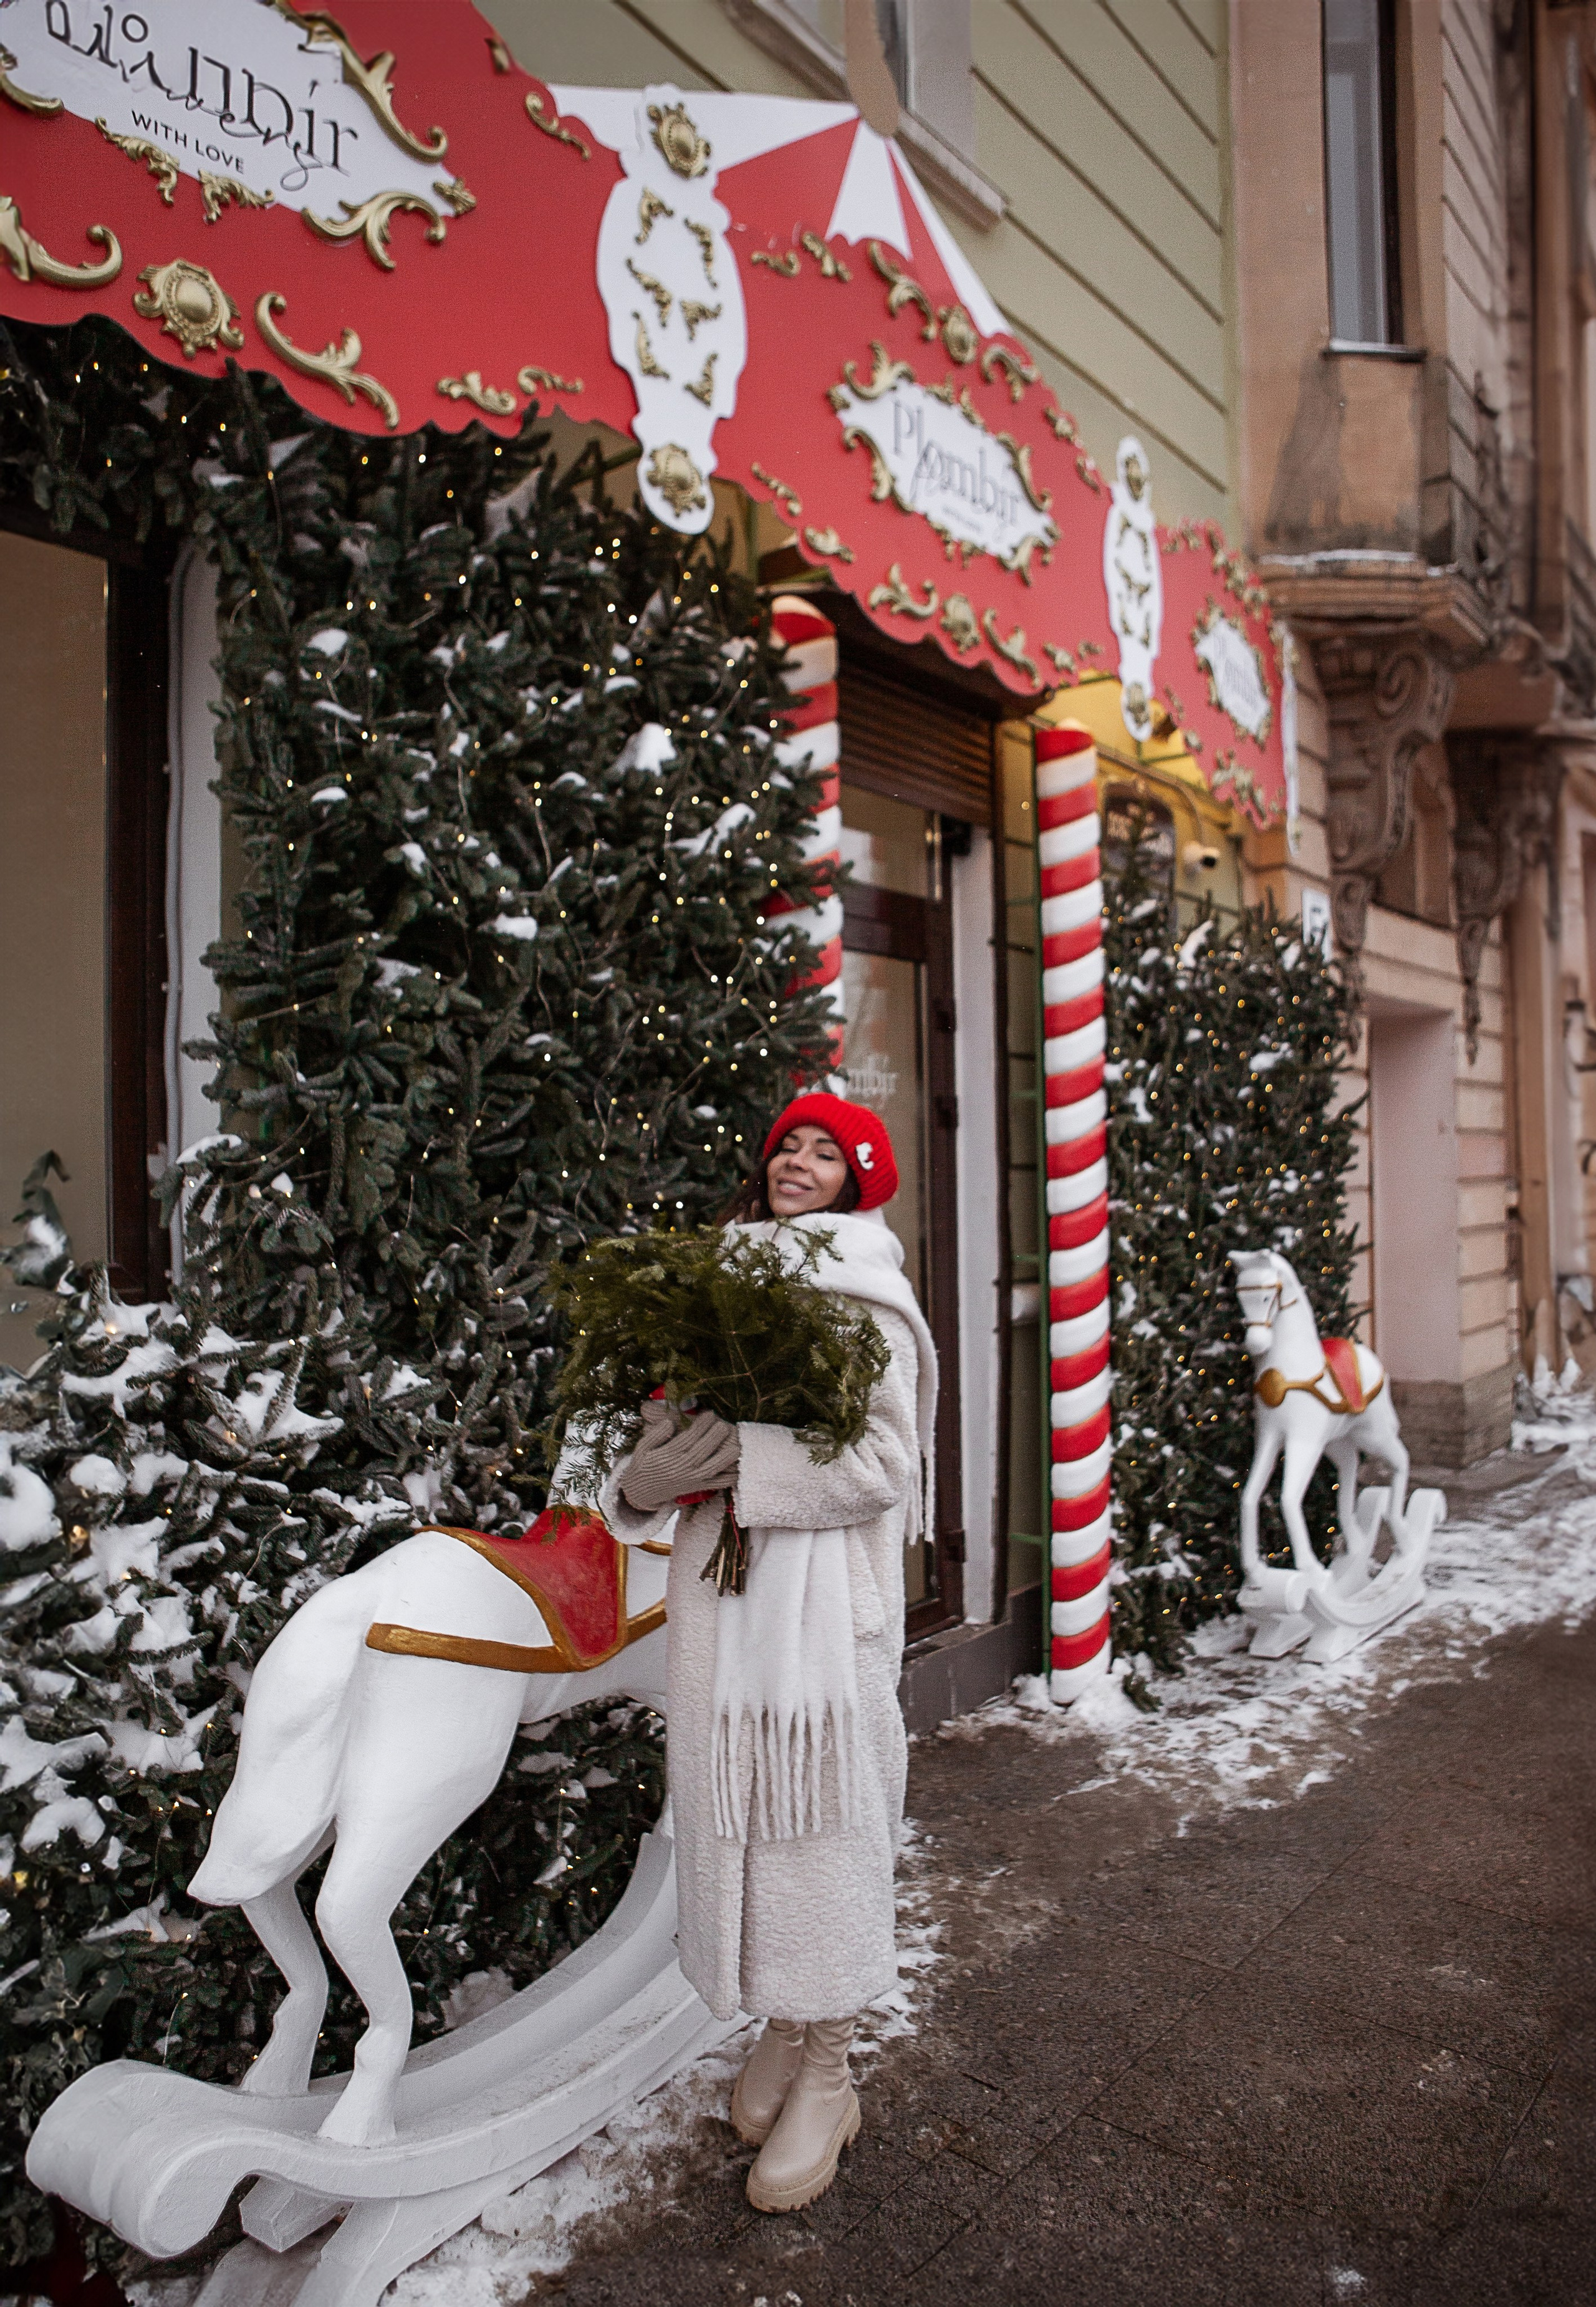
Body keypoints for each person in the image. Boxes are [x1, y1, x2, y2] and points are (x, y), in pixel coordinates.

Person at [598, 1092, 936, 2215]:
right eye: (786, 1146)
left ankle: (831, 2071)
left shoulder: (867, 1297)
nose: (797, 1163)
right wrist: (649, 1478)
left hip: (822, 1623)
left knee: (822, 1831)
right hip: (722, 1611)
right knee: (745, 1824)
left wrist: (748, 1456)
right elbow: (659, 1443)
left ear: (858, 1177)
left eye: (823, 1152)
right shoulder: (717, 1286)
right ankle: (788, 2031)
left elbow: (883, 1460)